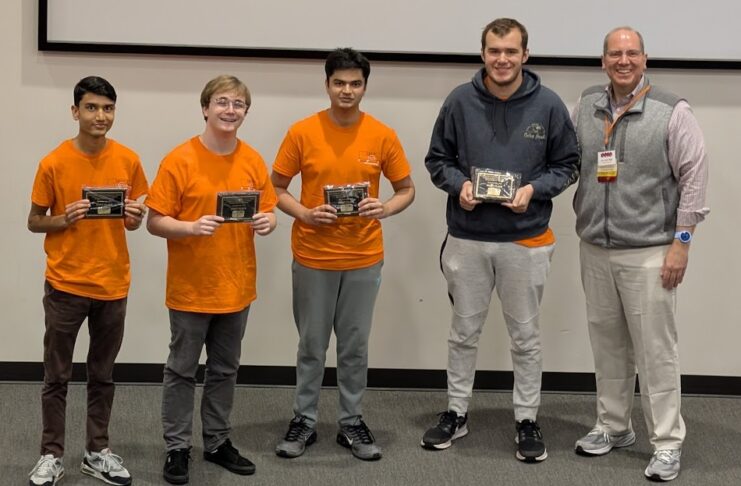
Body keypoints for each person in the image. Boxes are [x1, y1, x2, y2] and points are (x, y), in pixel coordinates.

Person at [421, 18, 579, 463]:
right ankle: (456, 411)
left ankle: (527, 418)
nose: (502, 59)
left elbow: (568, 165)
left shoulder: (548, 104)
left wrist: (533, 191)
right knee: (463, 333)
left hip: (525, 239)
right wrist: (459, 187)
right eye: (494, 51)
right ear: (483, 53)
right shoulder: (459, 100)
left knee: (525, 337)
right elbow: (438, 159)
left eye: (511, 51)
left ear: (525, 55)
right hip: (467, 238)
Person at [572, 27, 709, 482]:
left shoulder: (673, 111)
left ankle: (667, 442)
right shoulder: (587, 104)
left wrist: (681, 245)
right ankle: (614, 426)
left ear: (645, 59)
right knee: (607, 345)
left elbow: (694, 181)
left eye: (632, 53)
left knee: (656, 353)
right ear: (603, 61)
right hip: (594, 247)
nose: (623, 60)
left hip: (652, 252)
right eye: (615, 53)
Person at [271, 48, 414, 461]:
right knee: (311, 345)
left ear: (365, 87)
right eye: (339, 83)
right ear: (327, 85)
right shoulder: (303, 132)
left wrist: (384, 207)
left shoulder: (382, 134)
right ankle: (305, 420)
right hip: (314, 256)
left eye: (355, 83)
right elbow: (276, 187)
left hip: (364, 257)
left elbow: (407, 189)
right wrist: (304, 213)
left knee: (354, 346)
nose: (347, 90)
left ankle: (351, 422)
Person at [145, 75, 277, 484]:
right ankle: (177, 448)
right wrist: (188, 228)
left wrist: (268, 222)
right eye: (222, 102)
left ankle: (218, 442)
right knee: (182, 371)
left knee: (224, 370)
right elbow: (154, 221)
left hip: (236, 287)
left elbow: (269, 209)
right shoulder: (179, 160)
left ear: (245, 113)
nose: (230, 110)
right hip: (190, 288)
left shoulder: (252, 160)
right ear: (205, 108)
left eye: (238, 104)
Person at [27, 76, 147, 486]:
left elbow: (131, 221)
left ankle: (97, 452)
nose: (101, 116)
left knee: (103, 374)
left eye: (108, 108)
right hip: (65, 285)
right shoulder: (54, 162)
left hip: (113, 285)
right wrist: (65, 218)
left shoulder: (128, 160)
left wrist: (133, 218)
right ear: (75, 111)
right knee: (56, 377)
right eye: (92, 108)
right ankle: (50, 455)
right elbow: (33, 221)